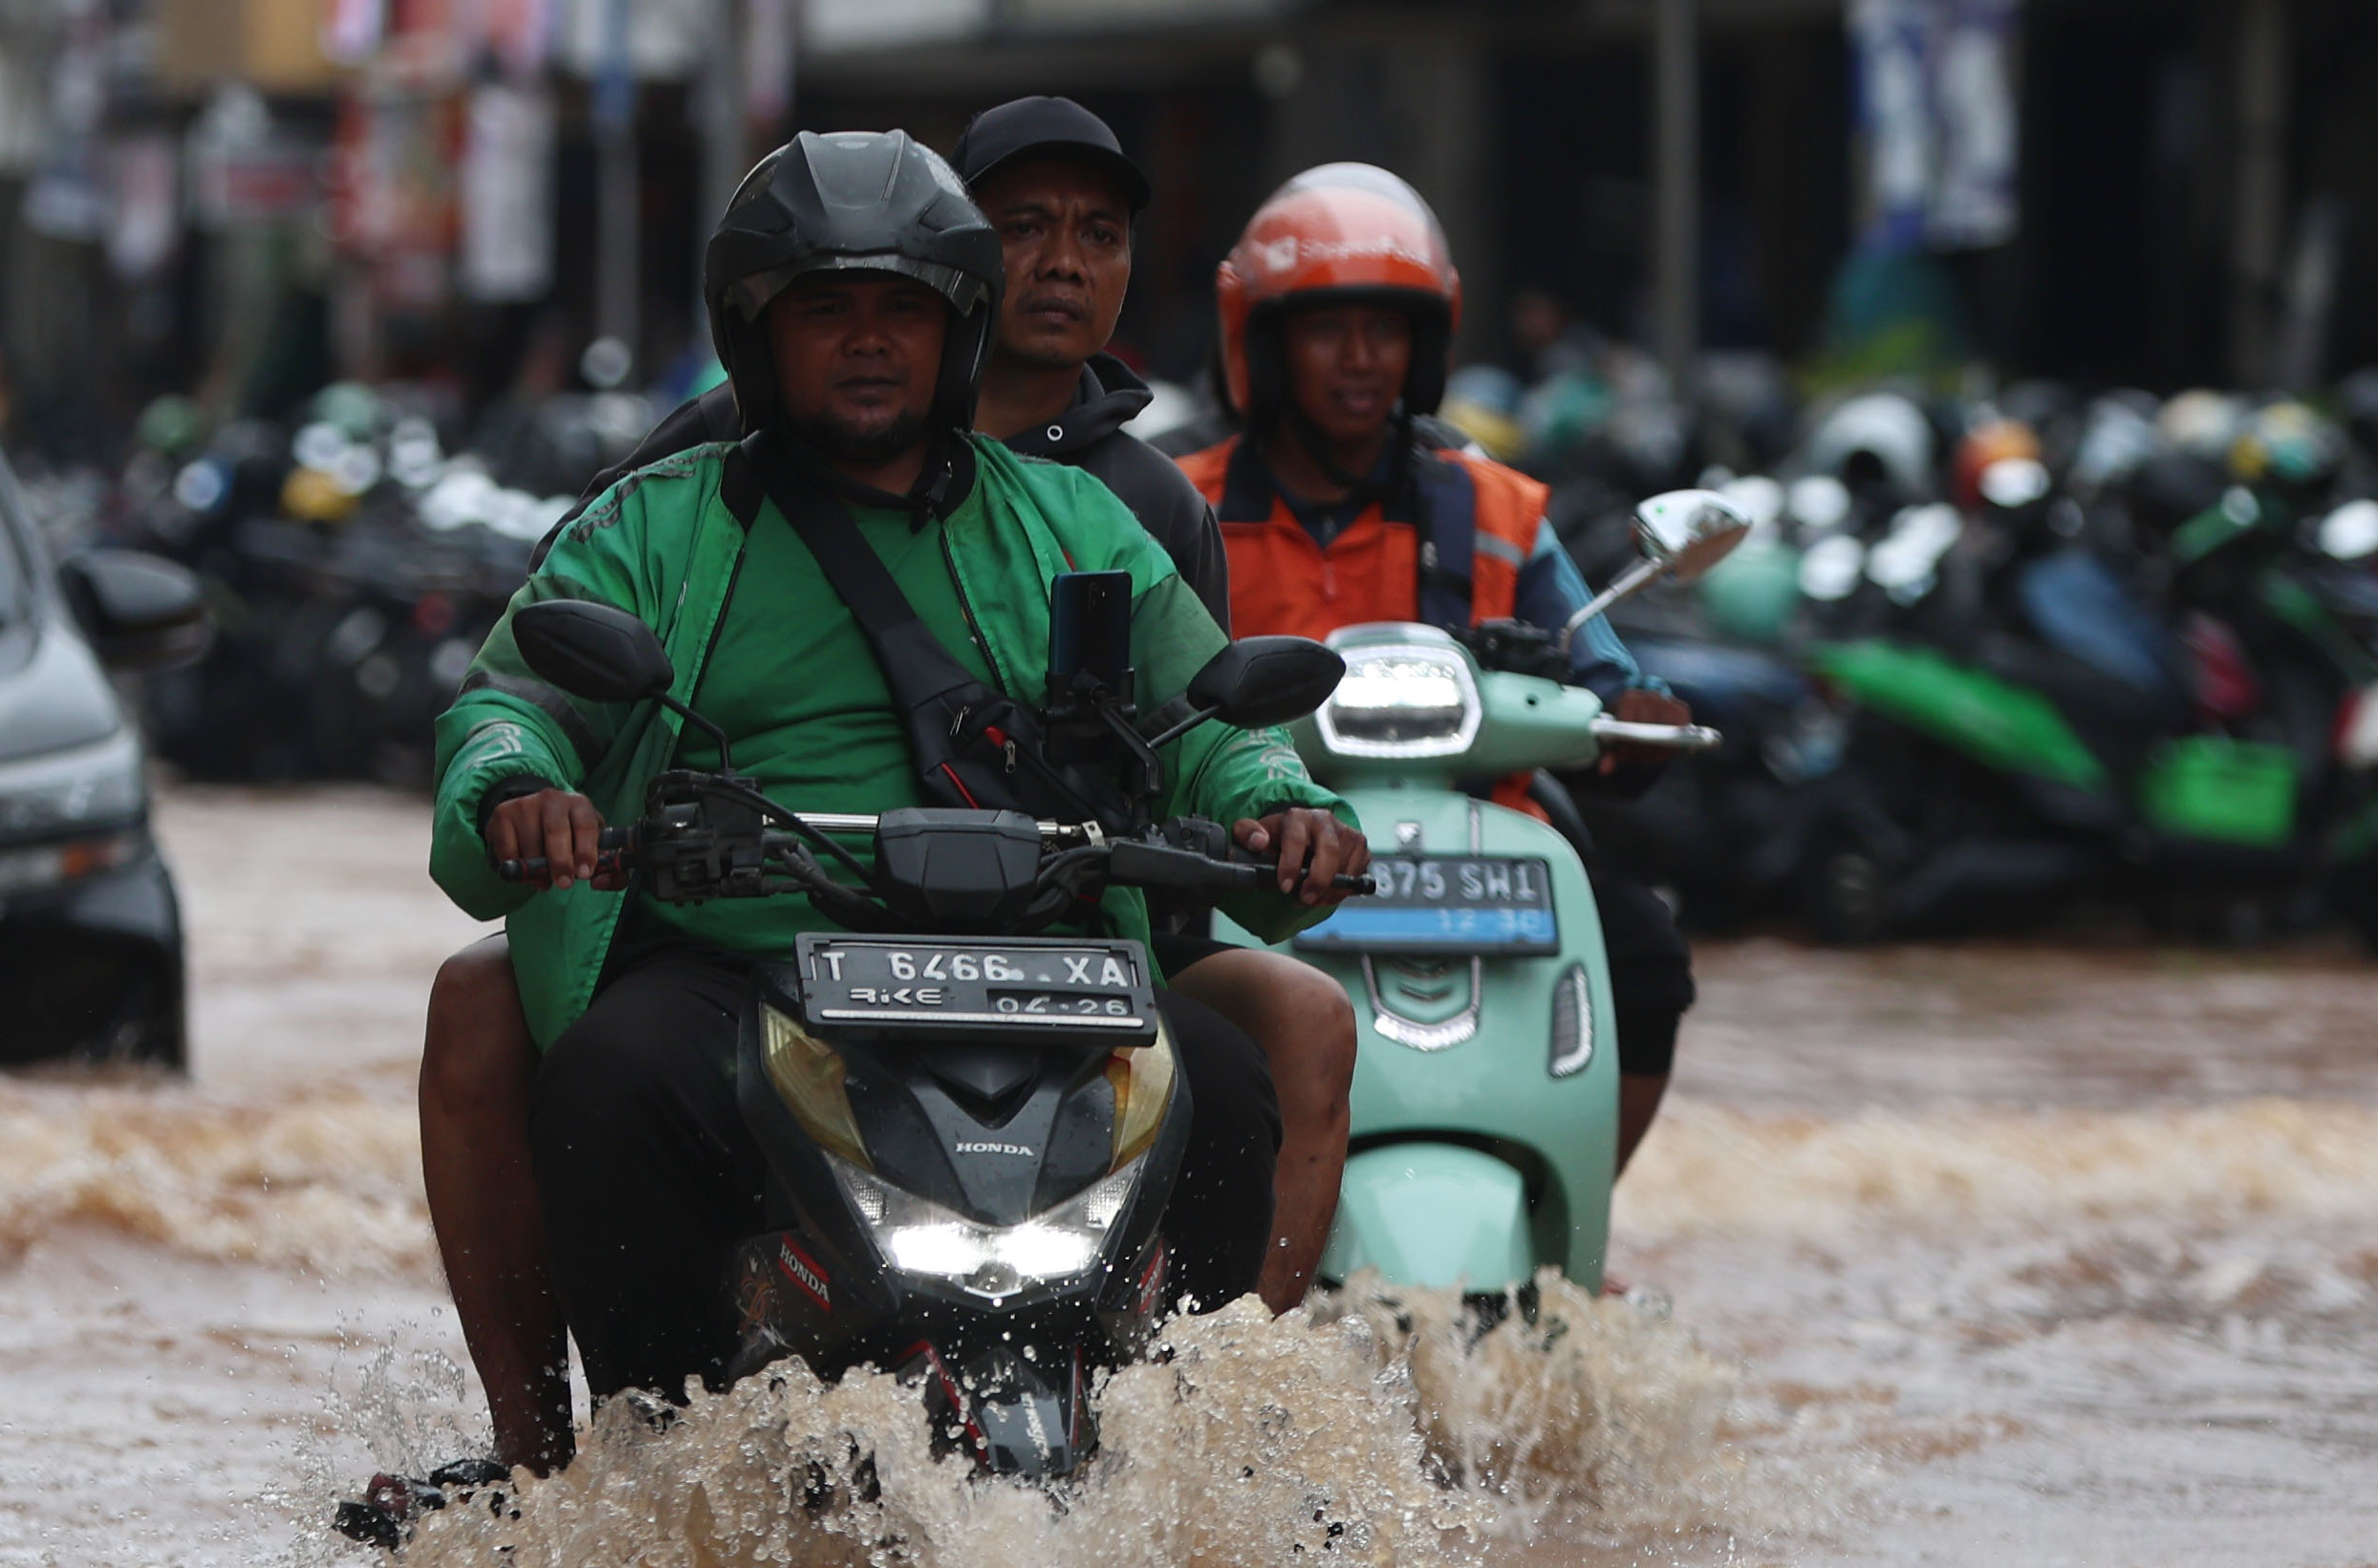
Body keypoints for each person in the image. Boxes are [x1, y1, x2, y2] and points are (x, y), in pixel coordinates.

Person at [408, 97, 1362, 1472]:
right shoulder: (656, 521)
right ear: (758, 335)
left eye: (901, 310)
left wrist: (1281, 801)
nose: (866, 339)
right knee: (611, 1082)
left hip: (1038, 962)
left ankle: (1196, 1470)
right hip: (740, 959)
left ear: (954, 331)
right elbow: (509, 707)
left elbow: (1202, 714)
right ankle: (624, 1480)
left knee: (1215, 1078)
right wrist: (520, 791)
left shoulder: (1078, 524)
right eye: (825, 309)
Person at [1178, 166, 1699, 1173]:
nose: (1362, 359)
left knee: (1642, 960)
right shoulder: (1177, 503)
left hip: (1473, 849)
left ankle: (1569, 1231)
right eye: (1329, 329)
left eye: (1389, 329)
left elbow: (1596, 669)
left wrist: (1629, 717)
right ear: (1264, 339)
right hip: (1251, 847)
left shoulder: (1492, 507)